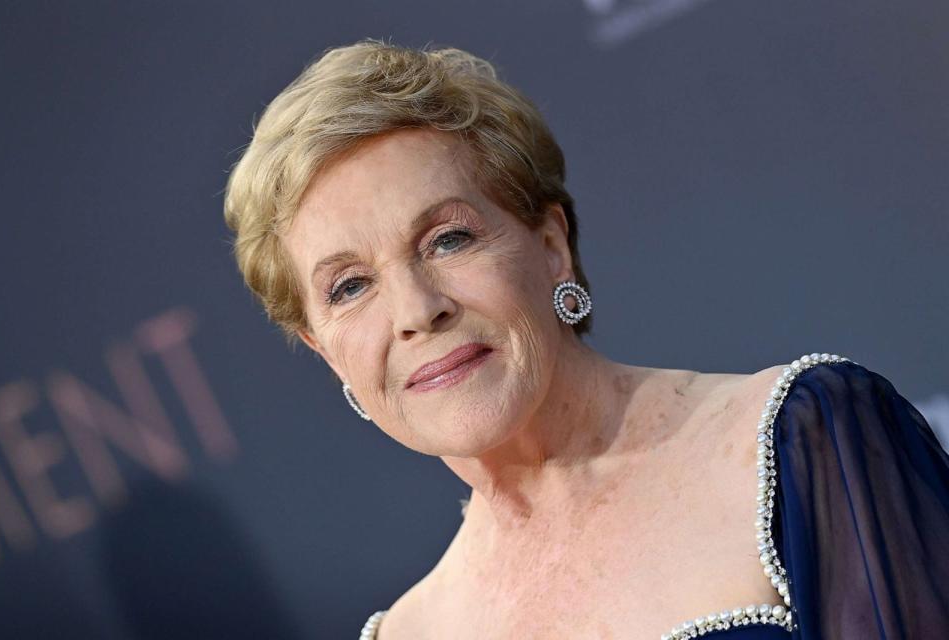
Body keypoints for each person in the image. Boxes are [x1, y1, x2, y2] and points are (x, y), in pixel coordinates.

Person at [222, 39, 949, 640]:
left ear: (550, 247)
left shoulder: (807, 438)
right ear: (325, 353)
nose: (417, 309)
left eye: (447, 239)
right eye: (350, 286)